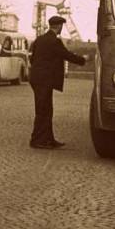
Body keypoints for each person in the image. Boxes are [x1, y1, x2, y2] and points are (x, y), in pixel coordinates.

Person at [29, 15, 86, 149]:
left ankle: (48, 139)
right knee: (44, 110)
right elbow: (66, 55)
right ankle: (37, 140)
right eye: (61, 26)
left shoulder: (39, 40)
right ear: (59, 26)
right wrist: (83, 59)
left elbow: (33, 58)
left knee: (45, 109)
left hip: (37, 78)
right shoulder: (54, 41)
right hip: (45, 80)